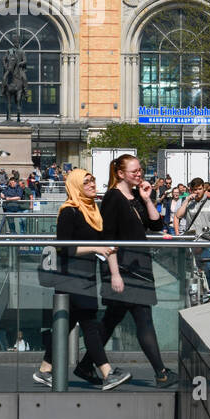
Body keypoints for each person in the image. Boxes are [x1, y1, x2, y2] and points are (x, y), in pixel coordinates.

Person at [34, 169, 131, 390]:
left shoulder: (93, 210)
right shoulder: (69, 211)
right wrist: (96, 247)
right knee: (90, 324)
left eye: (93, 180)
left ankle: (44, 369)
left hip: (86, 275)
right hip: (71, 277)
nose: (91, 184)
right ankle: (107, 372)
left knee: (66, 324)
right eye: (86, 182)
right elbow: (65, 248)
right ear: (76, 185)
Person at [86, 155, 172, 386]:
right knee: (143, 318)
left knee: (112, 318)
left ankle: (85, 366)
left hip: (137, 264)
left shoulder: (135, 196)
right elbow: (108, 238)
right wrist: (114, 274)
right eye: (134, 171)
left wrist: (147, 199)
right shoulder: (113, 197)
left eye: (140, 170)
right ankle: (161, 372)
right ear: (120, 173)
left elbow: (156, 224)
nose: (139, 174)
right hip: (123, 267)